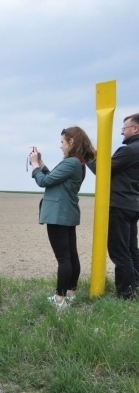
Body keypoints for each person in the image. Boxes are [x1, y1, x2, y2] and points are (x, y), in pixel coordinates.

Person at [29, 126, 95, 308]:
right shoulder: (77, 162)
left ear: (71, 142)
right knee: (71, 256)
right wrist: (41, 163)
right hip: (67, 213)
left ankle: (60, 300)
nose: (60, 146)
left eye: (62, 142)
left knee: (64, 258)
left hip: (58, 215)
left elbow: (44, 181)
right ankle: (71, 294)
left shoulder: (71, 162)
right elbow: (52, 176)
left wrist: (34, 165)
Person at [86, 113, 139, 299]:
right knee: (132, 249)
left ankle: (126, 294)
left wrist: (87, 157)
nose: (121, 132)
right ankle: (135, 288)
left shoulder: (130, 150)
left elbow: (103, 170)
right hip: (133, 206)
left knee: (120, 252)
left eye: (124, 128)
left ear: (135, 129)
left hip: (119, 206)